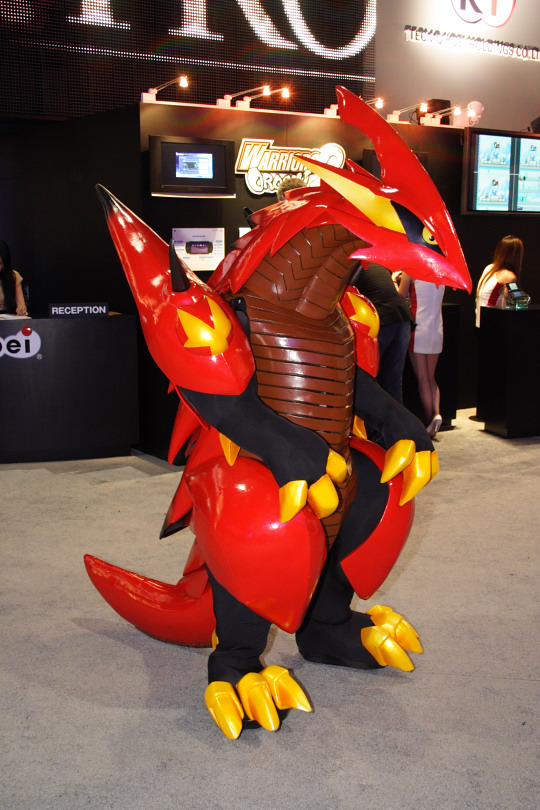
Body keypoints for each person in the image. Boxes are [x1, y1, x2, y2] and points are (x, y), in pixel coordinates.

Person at [351, 262, 413, 404]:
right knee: (393, 381)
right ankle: (396, 419)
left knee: (368, 378)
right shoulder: (377, 264)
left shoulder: (353, 267)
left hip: (382, 320)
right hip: (403, 318)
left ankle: (368, 419)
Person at [399, 273, 444, 439]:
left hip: (418, 328)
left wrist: (394, 281)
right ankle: (436, 414)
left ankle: (431, 420)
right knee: (431, 377)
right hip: (437, 328)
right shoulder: (440, 271)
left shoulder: (410, 271)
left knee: (423, 378)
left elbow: (399, 297)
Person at [475, 235, 524, 328]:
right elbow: (517, 301)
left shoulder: (489, 268)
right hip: (492, 326)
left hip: (479, 323)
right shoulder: (509, 276)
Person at [0, 240, 28, 316]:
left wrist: (21, 310)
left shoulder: (13, 276)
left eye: (0, 263)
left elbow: (21, 305)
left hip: (7, 318)